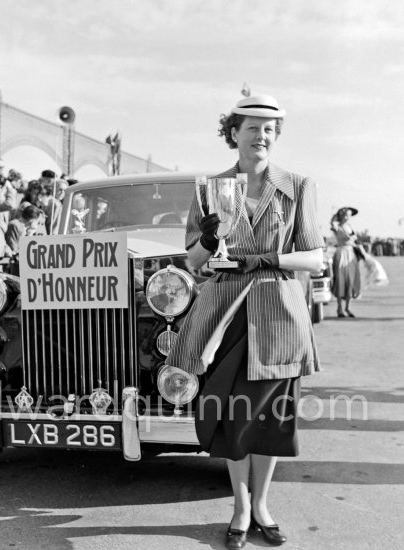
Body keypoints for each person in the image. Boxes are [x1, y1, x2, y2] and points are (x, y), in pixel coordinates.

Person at [165, 95, 324, 549]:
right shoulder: (208, 188)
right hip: (225, 316)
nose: (262, 137)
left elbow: (314, 256)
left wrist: (268, 257)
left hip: (279, 315)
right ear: (233, 133)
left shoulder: (298, 185)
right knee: (235, 420)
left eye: (270, 129)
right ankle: (238, 507)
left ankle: (262, 507)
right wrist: (211, 236)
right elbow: (194, 261)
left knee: (269, 420)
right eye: (252, 128)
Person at [330, 207, 361, 317]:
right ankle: (339, 308)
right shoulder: (337, 226)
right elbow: (332, 222)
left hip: (350, 253)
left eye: (349, 214)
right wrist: (338, 213)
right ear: (342, 215)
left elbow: (355, 240)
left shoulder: (350, 227)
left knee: (350, 280)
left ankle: (347, 307)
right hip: (341, 253)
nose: (348, 217)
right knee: (340, 279)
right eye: (346, 214)